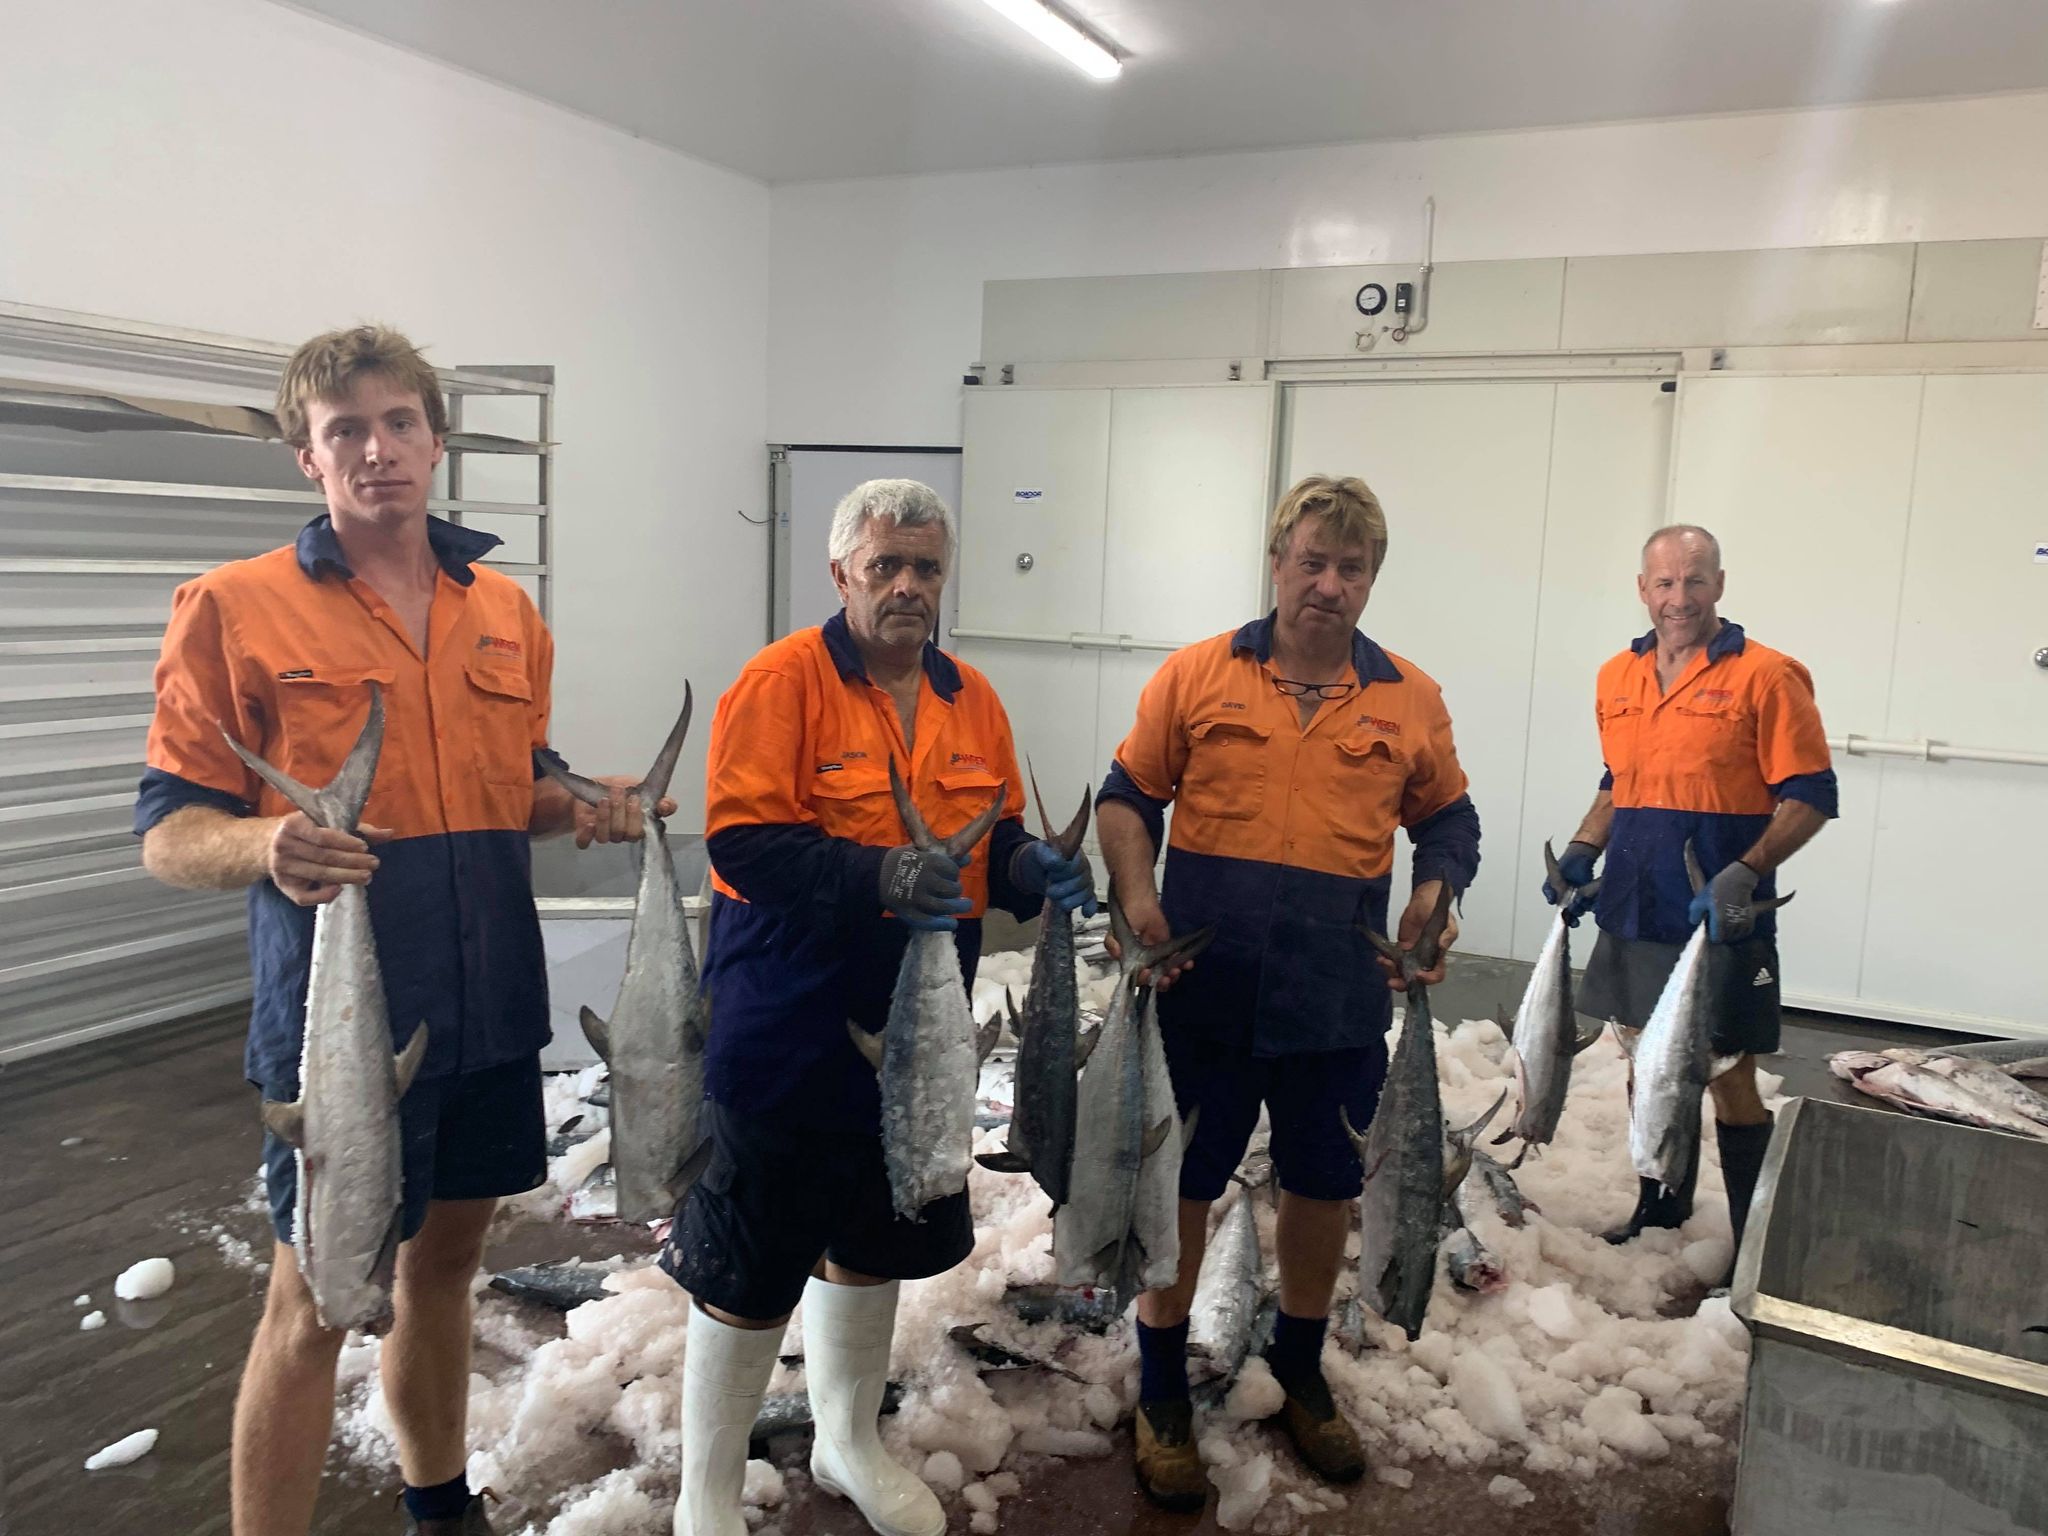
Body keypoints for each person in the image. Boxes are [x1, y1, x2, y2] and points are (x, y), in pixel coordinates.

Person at [136, 325, 660, 1536]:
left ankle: (439, 1507)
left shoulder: (504, 610)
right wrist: (264, 845)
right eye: (345, 432)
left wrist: (584, 804)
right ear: (305, 458)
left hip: (489, 1003)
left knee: (443, 1272)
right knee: (318, 1301)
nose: (378, 451)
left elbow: (510, 791)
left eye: (399, 424)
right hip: (340, 1028)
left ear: (435, 438)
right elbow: (167, 831)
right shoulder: (233, 607)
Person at [661, 478, 1095, 1536]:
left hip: (922, 1028)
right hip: (788, 1016)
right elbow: (743, 843)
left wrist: (1030, 865)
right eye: (884, 566)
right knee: (755, 1257)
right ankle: (704, 1493)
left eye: (926, 568)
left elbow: (984, 839)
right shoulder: (780, 682)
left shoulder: (969, 698)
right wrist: (877, 877)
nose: (907, 587)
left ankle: (847, 1444)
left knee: (874, 1233)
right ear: (841, 573)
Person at [1095, 474, 1481, 1508]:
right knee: (1177, 1187)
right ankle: (1163, 1385)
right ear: (1276, 562)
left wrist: (1433, 897)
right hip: (1203, 990)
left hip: (1335, 997)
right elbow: (1127, 793)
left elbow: (1448, 822)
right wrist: (1137, 894)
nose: (1328, 583)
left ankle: (1301, 1366)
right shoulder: (1197, 675)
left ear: (1369, 581)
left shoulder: (1409, 697)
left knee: (1324, 1185)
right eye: (1310, 560)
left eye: (1349, 567)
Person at [1543, 524, 1834, 1279]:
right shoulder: (1616, 676)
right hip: (1636, 907)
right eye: (1665, 583)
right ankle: (1662, 1200)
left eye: (1695, 580)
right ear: (1643, 589)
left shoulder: (1768, 676)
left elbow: (1810, 795)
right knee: (1647, 1057)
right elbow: (1620, 781)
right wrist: (1584, 846)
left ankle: (1754, 1240)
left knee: (1729, 1071)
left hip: (1719, 919)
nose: (1679, 598)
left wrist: (1747, 868)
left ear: (1720, 584)